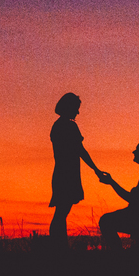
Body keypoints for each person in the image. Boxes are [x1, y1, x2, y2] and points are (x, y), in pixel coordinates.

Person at [49, 92, 104, 250]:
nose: (78, 112)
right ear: (69, 107)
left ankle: (59, 247)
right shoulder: (69, 126)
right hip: (67, 175)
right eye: (76, 108)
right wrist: (96, 169)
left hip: (63, 173)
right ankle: (59, 248)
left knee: (61, 213)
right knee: (61, 214)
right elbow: (81, 151)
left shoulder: (58, 125)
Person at [97, 139, 139, 252]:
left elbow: (133, 199)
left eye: (138, 150)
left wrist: (111, 182)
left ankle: (118, 254)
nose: (134, 152)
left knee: (106, 221)